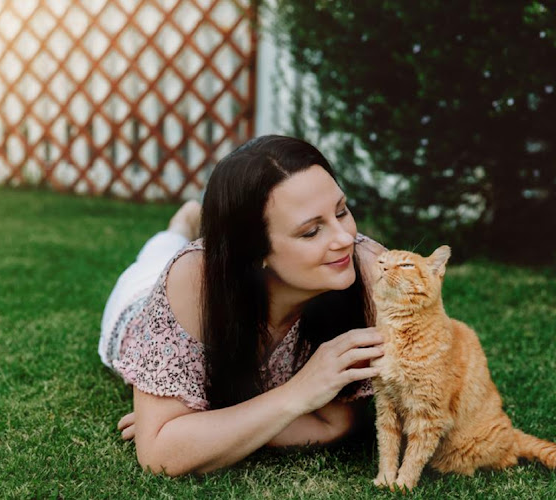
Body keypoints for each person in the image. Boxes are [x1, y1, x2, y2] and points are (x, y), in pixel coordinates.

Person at [99, 135, 387, 476]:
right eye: (311, 231)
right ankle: (181, 224)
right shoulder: (191, 281)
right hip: (139, 307)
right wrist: (299, 392)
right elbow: (160, 452)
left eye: (341, 211)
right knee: (157, 256)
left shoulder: (375, 274)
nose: (344, 238)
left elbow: (336, 424)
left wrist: (209, 424)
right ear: (255, 250)